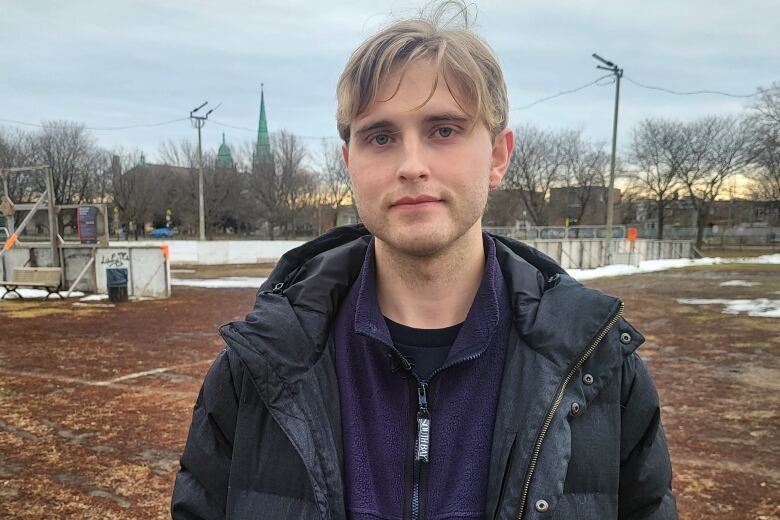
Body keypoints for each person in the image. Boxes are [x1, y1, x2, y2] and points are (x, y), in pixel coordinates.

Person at [171, 3, 677, 519]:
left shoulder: (600, 372)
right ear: (350, 164)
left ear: (499, 155)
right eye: (381, 137)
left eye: (443, 130)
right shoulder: (257, 369)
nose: (411, 166)